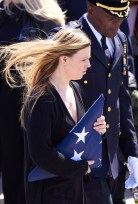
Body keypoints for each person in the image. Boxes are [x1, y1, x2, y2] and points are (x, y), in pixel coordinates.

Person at [1, 28, 106, 204]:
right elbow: (41, 153)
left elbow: (78, 135)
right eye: (84, 59)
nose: (89, 64)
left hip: (74, 189)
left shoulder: (77, 89)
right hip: (48, 193)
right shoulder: (42, 99)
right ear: (64, 59)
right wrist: (80, 168)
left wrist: (97, 129)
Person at [76, 1, 138, 203]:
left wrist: (133, 152)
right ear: (90, 9)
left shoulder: (120, 39)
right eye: (112, 17)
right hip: (82, 152)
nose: (118, 22)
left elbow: (121, 98)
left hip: (112, 156)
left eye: (122, 16)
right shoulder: (70, 37)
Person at [0, 0, 65, 203]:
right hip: (17, 110)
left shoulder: (45, 19)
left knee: (23, 173)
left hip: (27, 108)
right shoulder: (6, 15)